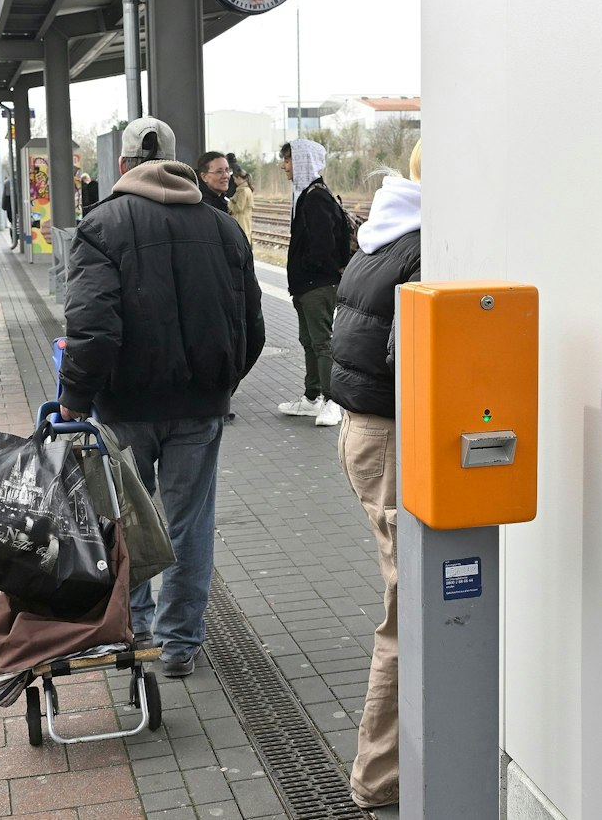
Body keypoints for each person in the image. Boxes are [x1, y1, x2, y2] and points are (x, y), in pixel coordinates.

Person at [58, 116, 265, 679]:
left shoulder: (101, 226)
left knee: (127, 518)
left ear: (123, 166)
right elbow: (254, 327)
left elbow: (92, 328)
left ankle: (140, 629)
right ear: (179, 164)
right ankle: (180, 645)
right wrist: (220, 383)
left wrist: (76, 398)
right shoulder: (223, 229)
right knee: (189, 521)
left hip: (124, 407)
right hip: (200, 406)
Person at [327, 140, 421, 814]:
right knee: (409, 605)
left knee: (408, 595)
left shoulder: (382, 232)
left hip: (362, 431)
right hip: (389, 436)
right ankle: (378, 773)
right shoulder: (426, 246)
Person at [278, 139, 350, 428]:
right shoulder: (307, 194)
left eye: (288, 159)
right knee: (309, 341)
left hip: (317, 285)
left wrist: (309, 272)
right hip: (307, 285)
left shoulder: (316, 197)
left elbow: (324, 247)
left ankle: (333, 402)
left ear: (303, 160)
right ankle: (312, 397)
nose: (284, 166)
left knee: (321, 343)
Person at [228, 166, 256, 242]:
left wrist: (229, 203)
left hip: (241, 221)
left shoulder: (243, 191)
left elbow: (239, 208)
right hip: (245, 221)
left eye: (234, 179)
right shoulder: (246, 189)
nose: (234, 181)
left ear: (239, 178)